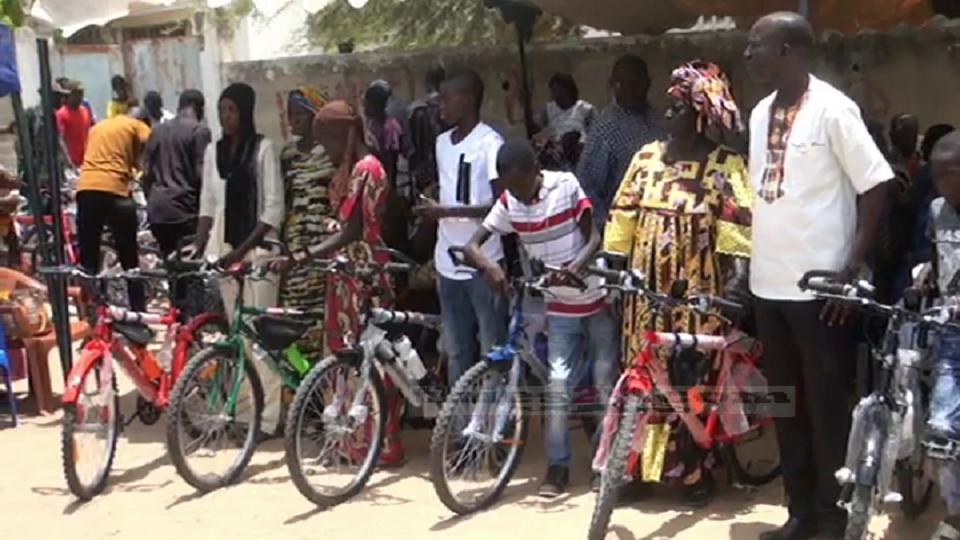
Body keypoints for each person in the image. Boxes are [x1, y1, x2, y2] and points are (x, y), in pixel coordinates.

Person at [744, 12, 893, 540]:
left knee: (827, 406)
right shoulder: (760, 113)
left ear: (787, 49)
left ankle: (832, 518)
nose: (748, 54)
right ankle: (800, 511)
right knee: (785, 403)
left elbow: (875, 184)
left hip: (821, 291)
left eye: (757, 45)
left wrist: (850, 268)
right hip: (768, 287)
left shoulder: (834, 109)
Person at [604, 59, 753, 506]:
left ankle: (695, 471)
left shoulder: (726, 164)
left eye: (677, 107)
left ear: (699, 114)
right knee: (643, 377)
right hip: (645, 290)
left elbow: (738, 230)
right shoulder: (645, 157)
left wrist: (734, 290)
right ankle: (639, 471)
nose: (667, 115)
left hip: (698, 292)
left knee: (692, 381)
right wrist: (614, 274)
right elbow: (622, 217)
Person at [464, 139, 616, 497]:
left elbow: (594, 236)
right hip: (559, 306)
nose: (517, 194)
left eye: (520, 185)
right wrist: (488, 266)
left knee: (605, 385)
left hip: (596, 300)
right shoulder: (509, 202)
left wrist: (575, 267)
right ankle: (558, 467)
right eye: (509, 187)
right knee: (557, 386)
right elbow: (472, 245)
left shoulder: (564, 186)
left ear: (536, 171)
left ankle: (605, 465)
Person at [277, 100, 405, 465]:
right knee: (346, 358)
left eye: (328, 141)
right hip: (347, 275)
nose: (325, 150)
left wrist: (302, 256)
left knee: (371, 362)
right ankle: (354, 443)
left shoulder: (368, 169)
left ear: (345, 133)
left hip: (365, 278)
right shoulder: (351, 169)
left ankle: (380, 445)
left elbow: (354, 230)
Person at [194, 82, 285, 439]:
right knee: (237, 339)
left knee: (259, 339)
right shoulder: (214, 153)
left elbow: (273, 209)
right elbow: (207, 204)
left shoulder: (264, 149)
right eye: (222, 110)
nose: (225, 117)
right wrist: (200, 244)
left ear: (245, 111)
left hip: (258, 253)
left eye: (231, 110)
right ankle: (247, 414)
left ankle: (268, 419)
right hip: (224, 253)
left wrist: (242, 251)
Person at [412, 68, 508, 389]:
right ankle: (460, 429)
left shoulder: (490, 143)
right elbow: (451, 189)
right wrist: (432, 208)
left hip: (483, 263)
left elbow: (501, 204)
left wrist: (447, 211)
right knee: (456, 351)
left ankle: (494, 426)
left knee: (491, 351)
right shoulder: (442, 143)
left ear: (468, 101)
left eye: (447, 99)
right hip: (447, 264)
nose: (440, 106)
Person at [920, 131, 960, 540]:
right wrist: (923, 281)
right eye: (934, 174)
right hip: (951, 336)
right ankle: (955, 513)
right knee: (941, 432)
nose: (938, 183)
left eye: (946, 174)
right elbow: (934, 256)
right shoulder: (937, 211)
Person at [75, 107, 152, 312]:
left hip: (86, 190)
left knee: (88, 261)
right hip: (115, 191)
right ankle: (138, 311)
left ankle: (92, 311)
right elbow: (151, 144)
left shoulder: (97, 127)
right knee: (130, 258)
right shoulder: (136, 124)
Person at [141, 89, 212, 310]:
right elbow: (202, 173)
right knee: (191, 273)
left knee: (173, 271)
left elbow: (146, 175)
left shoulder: (157, 131)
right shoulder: (200, 131)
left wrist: (152, 201)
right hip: (185, 210)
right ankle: (194, 329)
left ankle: (179, 322)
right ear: (199, 108)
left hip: (159, 212)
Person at [577, 54, 664, 231]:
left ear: (648, 84)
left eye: (636, 84)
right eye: (622, 84)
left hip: (661, 225)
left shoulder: (659, 120)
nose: (630, 91)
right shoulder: (605, 128)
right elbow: (589, 186)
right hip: (627, 229)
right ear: (612, 85)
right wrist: (608, 228)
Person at [277, 87, 332, 361]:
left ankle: (319, 389)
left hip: (322, 244)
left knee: (319, 319)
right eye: (290, 115)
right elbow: (285, 200)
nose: (293, 120)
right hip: (295, 244)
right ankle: (298, 386)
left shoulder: (329, 154)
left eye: (300, 114)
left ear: (314, 116)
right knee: (292, 318)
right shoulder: (287, 155)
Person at [533, 72, 596, 170]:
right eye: (553, 91)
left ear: (568, 90)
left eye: (558, 90)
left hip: (578, 154)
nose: (555, 95)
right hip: (555, 155)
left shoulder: (585, 109)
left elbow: (594, 135)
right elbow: (535, 128)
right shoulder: (549, 109)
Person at [55, 83, 92, 170]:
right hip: (71, 163)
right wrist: (68, 161)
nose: (80, 97)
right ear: (69, 95)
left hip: (85, 161)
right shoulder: (62, 114)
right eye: (77, 94)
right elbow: (60, 139)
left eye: (81, 94)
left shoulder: (85, 111)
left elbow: (89, 132)